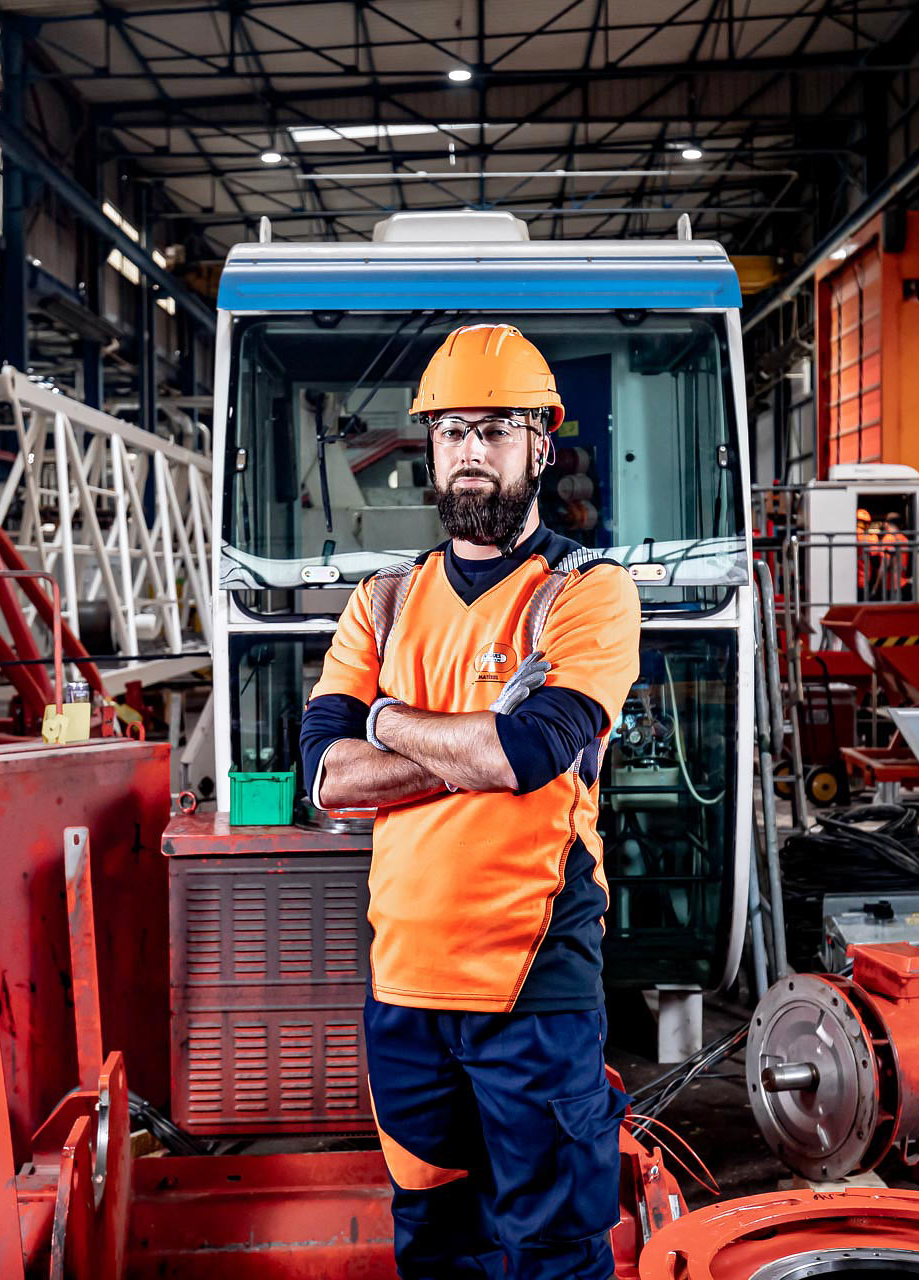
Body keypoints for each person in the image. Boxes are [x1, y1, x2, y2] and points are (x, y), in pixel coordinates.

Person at [299, 323, 642, 1280]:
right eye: (451, 432)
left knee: (552, 1250)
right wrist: (463, 735)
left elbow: (529, 751)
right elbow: (325, 776)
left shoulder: (586, 594)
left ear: (543, 441)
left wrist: (386, 719)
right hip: (403, 992)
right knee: (436, 1243)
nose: (471, 454)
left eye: (495, 430)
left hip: (530, 988)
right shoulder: (384, 601)